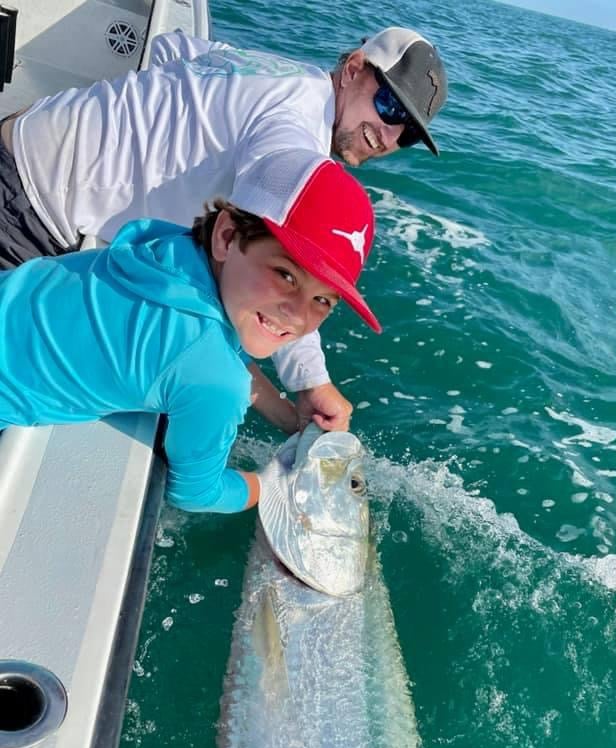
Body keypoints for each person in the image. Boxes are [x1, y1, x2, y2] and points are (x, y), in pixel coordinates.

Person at [0, 26, 447, 432]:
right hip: (29, 209)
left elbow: (169, 46)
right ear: (352, 69)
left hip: (25, 130)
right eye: (388, 104)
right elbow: (293, 262)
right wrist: (310, 382)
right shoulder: (294, 135)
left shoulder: (287, 75)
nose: (388, 135)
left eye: (406, 134)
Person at [0, 149, 380, 513]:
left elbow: (198, 350)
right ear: (227, 237)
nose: (298, 316)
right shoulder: (213, 376)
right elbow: (195, 492)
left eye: (323, 301)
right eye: (286, 275)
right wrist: (278, 485)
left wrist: (286, 417)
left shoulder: (167, 248)